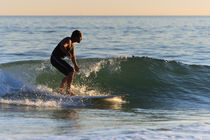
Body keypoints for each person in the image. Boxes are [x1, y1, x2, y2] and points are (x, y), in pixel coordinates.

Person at [50, 30, 82, 96]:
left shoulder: (72, 44)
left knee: (69, 74)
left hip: (58, 59)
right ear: (76, 37)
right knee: (71, 71)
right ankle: (68, 91)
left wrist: (75, 65)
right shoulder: (68, 40)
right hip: (55, 58)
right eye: (80, 37)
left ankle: (60, 91)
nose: (81, 39)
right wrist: (67, 53)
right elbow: (62, 46)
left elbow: (73, 56)